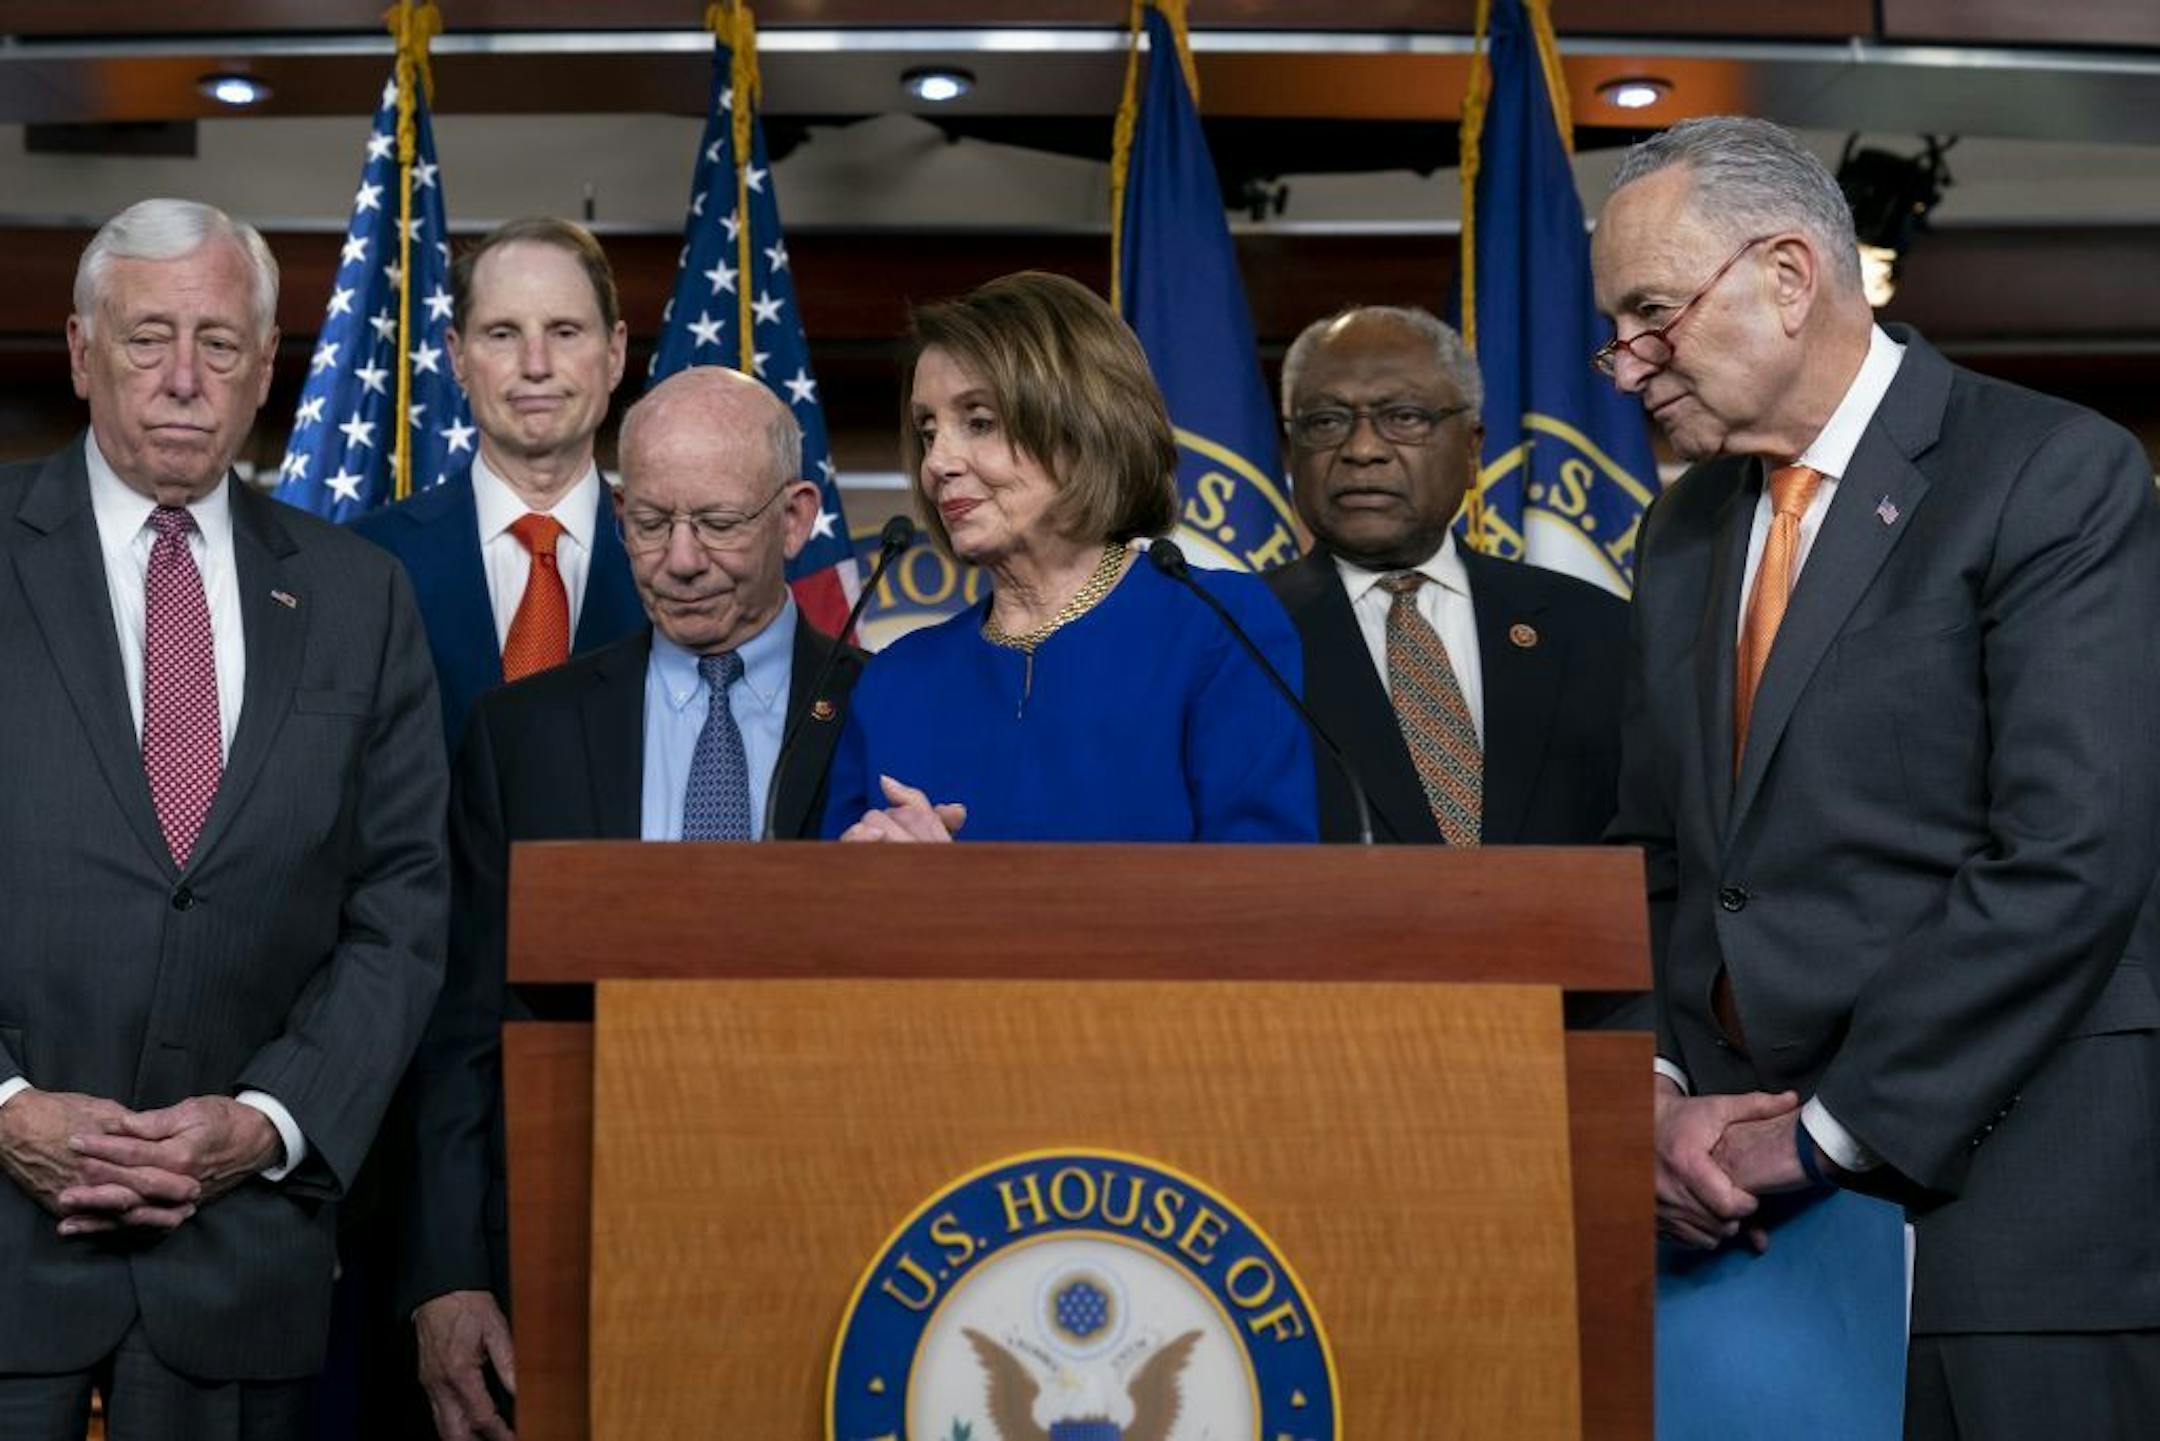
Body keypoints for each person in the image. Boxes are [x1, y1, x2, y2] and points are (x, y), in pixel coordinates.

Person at [1593, 116, 2160, 1437]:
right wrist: (1656, 1097)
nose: (1624, 366)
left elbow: (2071, 854)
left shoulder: (2049, 472)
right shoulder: (1679, 531)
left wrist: (1826, 1132)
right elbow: (1656, 857)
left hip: (2009, 1224)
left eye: (1652, 316)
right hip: (1733, 1244)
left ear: (1787, 276)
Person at [0, 198, 446, 1438]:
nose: (184, 380)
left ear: (265, 369)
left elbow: (401, 901)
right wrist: (8, 1110)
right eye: (148, 341)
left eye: (219, 343)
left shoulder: (361, 596)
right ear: (84, 354)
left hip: (242, 1265)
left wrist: (269, 1121)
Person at [400, 365, 860, 1441]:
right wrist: (449, 1275)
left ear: (796, 519)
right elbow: (461, 1027)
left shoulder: (877, 710)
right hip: (568, 1251)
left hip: (825, 1238)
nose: (682, 559)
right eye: (650, 521)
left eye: (718, 522)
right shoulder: (522, 735)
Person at [822, 270, 1315, 844]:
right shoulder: (896, 681)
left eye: (979, 422)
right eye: (927, 431)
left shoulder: (1219, 629)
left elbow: (1258, 899)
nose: (937, 463)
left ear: (1084, 430)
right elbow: (838, 917)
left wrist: (955, 897)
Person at [1267, 305, 1629, 849]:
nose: (1363, 450)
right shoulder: (1237, 631)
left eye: (1405, 417)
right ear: (1293, 447)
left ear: (1473, 448)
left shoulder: (1597, 629)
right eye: (1326, 421)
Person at [352, 217, 646, 752]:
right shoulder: (366, 562)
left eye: (564, 331)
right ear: (458, 356)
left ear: (615, 353)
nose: (536, 366)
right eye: (503, 334)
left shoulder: (674, 561)